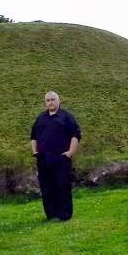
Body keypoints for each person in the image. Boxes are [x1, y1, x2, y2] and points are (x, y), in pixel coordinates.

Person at [30, 90, 81, 221]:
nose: (50, 102)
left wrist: (69, 153)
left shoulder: (66, 117)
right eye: (48, 100)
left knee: (62, 187)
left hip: (61, 159)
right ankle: (51, 215)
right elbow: (33, 136)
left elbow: (75, 135)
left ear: (59, 101)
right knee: (47, 188)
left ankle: (65, 215)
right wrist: (34, 151)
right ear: (45, 103)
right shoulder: (41, 118)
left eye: (53, 100)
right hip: (43, 160)